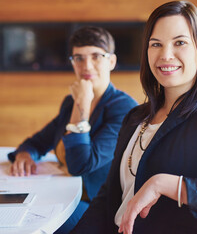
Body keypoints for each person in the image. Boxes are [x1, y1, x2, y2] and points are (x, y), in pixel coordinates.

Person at [70, 1, 197, 234]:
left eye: (180, 42)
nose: (165, 55)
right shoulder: (135, 116)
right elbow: (108, 197)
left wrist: (169, 185)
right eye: (156, 44)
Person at [7, 26, 138, 233]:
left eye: (96, 56)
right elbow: (38, 142)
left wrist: (82, 106)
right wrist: (26, 154)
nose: (86, 65)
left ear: (111, 61)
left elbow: (81, 164)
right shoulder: (70, 102)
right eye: (78, 58)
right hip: (62, 193)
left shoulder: (123, 108)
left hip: (98, 205)